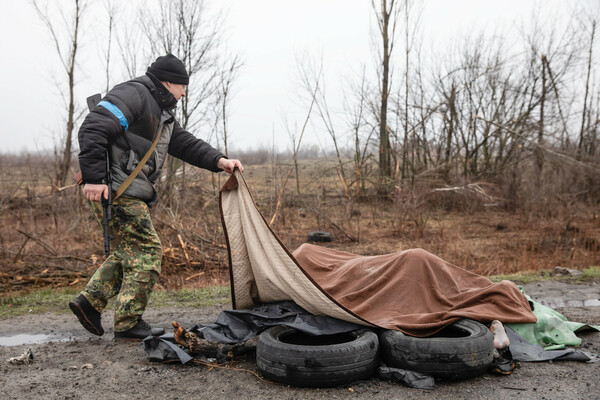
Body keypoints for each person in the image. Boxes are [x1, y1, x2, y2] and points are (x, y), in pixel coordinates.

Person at [69, 53, 243, 340]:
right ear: (168, 82)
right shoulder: (135, 93)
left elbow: (184, 143)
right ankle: (127, 322)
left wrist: (219, 161)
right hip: (116, 189)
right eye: (182, 86)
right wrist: (94, 179)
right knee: (148, 251)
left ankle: (90, 303)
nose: (185, 92)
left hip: (126, 189)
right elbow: (93, 127)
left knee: (131, 251)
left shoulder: (160, 111)